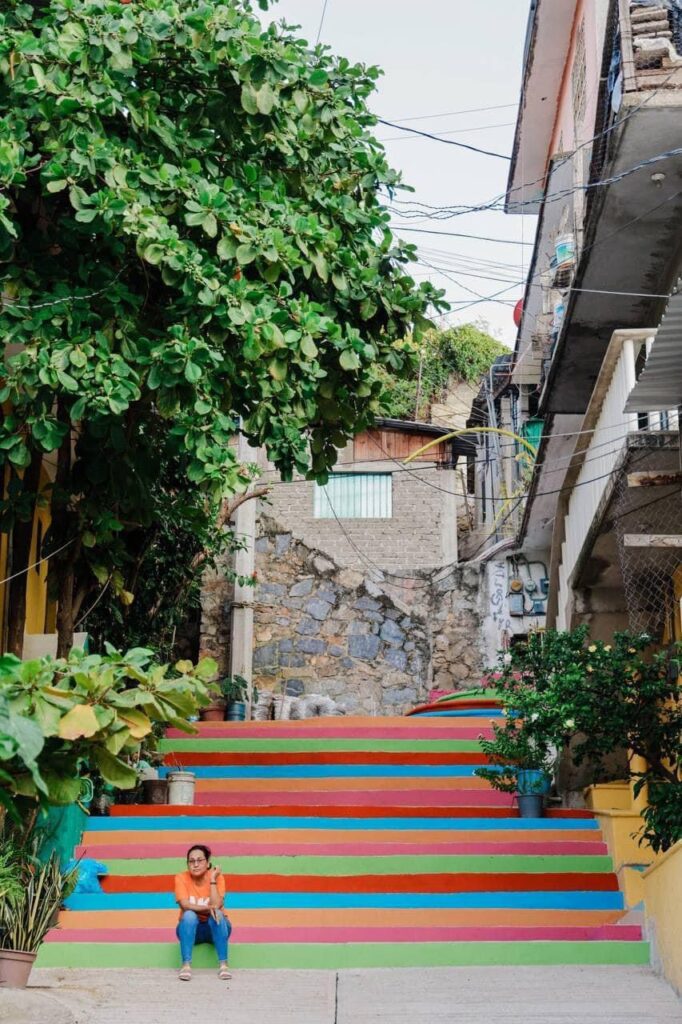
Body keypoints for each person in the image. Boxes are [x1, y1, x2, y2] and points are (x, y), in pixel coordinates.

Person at [174, 844, 232, 981]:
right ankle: (186, 965)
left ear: (207, 863)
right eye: (191, 861)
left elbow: (217, 905)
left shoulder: (217, 877)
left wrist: (212, 880)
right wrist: (208, 908)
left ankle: (224, 965)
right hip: (191, 931)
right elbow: (185, 904)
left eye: (199, 860)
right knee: (189, 915)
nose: (195, 864)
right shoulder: (181, 878)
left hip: (217, 928)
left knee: (217, 914)